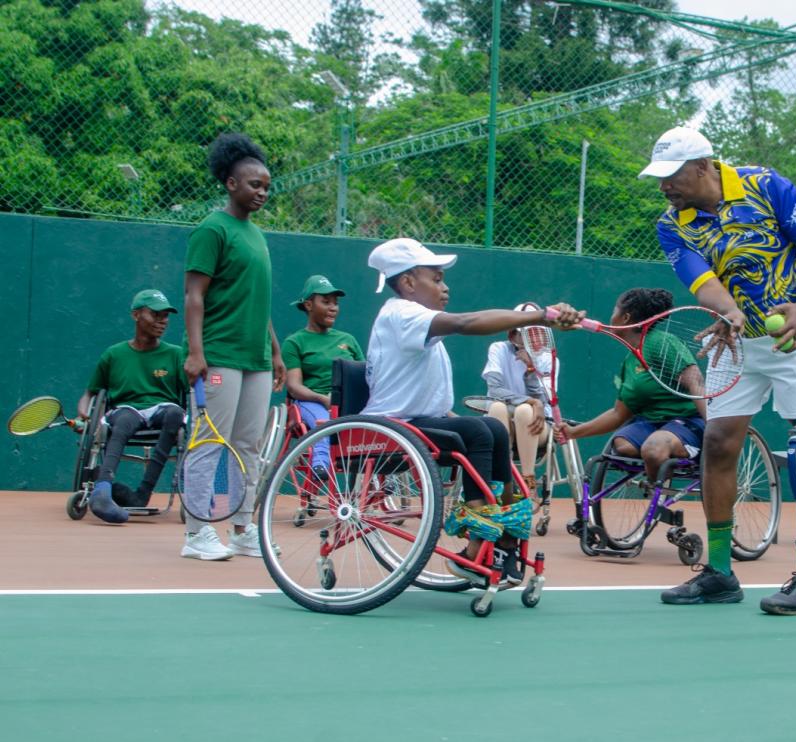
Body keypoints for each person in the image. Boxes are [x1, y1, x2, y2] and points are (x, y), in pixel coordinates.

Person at [639, 127, 796, 614]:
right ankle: (721, 574)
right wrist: (729, 313)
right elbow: (702, 281)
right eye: (659, 177)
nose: (665, 185)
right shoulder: (673, 225)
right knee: (719, 441)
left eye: (673, 175)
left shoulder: (766, 186)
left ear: (704, 165)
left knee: (795, 444)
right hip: (736, 342)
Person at [360, 237, 583, 586]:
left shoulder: (414, 321)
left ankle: (506, 538)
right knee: (481, 431)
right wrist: (540, 316)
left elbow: (419, 393)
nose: (444, 287)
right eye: (435, 279)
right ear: (407, 282)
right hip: (390, 428)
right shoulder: (401, 313)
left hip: (415, 423)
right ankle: (478, 543)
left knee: (492, 428)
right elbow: (465, 323)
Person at [181, 132, 285, 561]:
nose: (262, 191)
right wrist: (195, 351)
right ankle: (197, 532)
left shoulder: (257, 236)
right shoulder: (212, 228)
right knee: (209, 442)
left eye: (265, 186)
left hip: (256, 358)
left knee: (248, 447)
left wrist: (276, 352)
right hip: (219, 354)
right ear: (230, 184)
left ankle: (243, 530)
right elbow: (194, 296)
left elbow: (258, 302)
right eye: (254, 184)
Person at [556, 288, 705, 485]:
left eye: (614, 311)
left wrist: (714, 430)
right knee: (622, 444)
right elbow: (619, 414)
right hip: (652, 423)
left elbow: (697, 383)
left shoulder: (662, 343)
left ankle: (657, 490)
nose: (611, 315)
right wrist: (574, 432)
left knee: (653, 448)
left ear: (625, 318)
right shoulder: (630, 361)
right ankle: (658, 470)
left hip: (688, 421)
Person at [77, 289, 187, 524]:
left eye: (166, 316)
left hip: (163, 410)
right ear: (136, 315)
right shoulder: (113, 355)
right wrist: (85, 414)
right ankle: (102, 491)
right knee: (125, 418)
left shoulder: (176, 354)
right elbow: (90, 393)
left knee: (176, 413)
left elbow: (194, 389)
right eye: (156, 314)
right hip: (126, 411)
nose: (162, 321)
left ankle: (141, 495)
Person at [282, 275, 364, 478]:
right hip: (312, 401)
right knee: (324, 421)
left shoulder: (348, 340)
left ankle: (382, 476)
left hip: (349, 404)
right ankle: (320, 464)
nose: (333, 307)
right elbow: (293, 386)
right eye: (326, 302)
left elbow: (365, 375)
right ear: (309, 304)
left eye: (335, 303)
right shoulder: (294, 342)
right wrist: (322, 398)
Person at [481, 307, 551, 491]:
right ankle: (504, 481)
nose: (535, 339)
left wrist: (530, 370)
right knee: (497, 407)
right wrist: (531, 402)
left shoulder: (550, 359)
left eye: (539, 333)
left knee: (525, 411)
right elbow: (495, 389)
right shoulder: (498, 349)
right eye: (529, 334)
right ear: (513, 336)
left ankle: (528, 481)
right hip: (503, 421)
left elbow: (544, 403)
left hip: (538, 426)